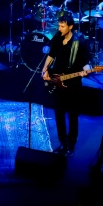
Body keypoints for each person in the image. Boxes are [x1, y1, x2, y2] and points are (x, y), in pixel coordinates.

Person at [42, 13, 91, 157]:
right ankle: (63, 142)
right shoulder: (58, 38)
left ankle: (72, 143)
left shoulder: (79, 41)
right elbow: (51, 55)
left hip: (73, 83)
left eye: (62, 26)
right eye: (59, 26)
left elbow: (86, 60)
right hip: (58, 81)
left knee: (73, 115)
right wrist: (44, 69)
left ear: (70, 27)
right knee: (59, 113)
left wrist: (87, 69)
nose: (60, 28)